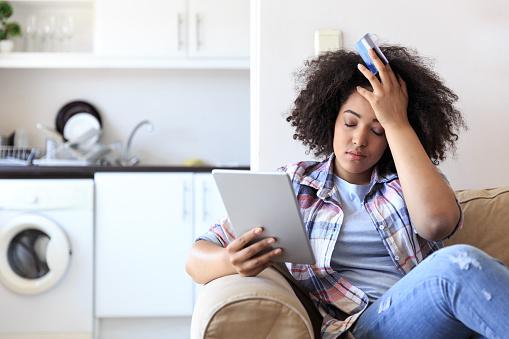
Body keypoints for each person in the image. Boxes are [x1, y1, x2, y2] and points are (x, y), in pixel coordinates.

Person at [186, 45, 509, 338]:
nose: (359, 140)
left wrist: (396, 120)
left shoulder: (406, 182)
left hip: (431, 317)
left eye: (378, 130)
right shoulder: (295, 184)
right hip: (363, 326)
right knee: (458, 264)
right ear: (331, 120)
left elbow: (436, 222)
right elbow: (196, 257)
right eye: (350, 123)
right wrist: (232, 260)